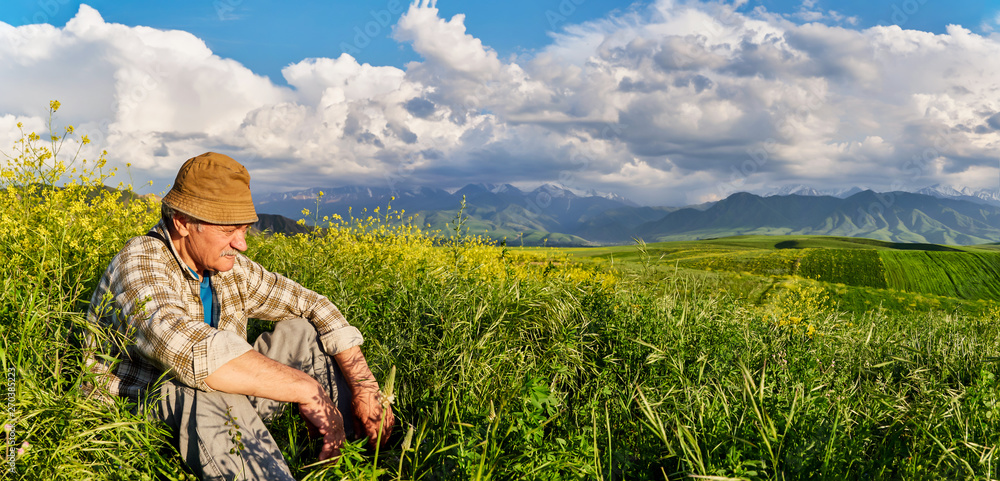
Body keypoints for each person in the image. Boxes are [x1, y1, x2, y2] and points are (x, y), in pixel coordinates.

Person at [84, 152, 394, 480]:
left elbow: (316, 305)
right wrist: (306, 388)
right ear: (183, 222)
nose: (242, 244)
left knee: (302, 332)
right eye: (230, 230)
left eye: (245, 229)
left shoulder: (228, 268)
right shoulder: (140, 260)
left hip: (218, 409)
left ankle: (353, 456)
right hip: (137, 418)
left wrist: (365, 387)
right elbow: (192, 354)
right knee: (203, 385)